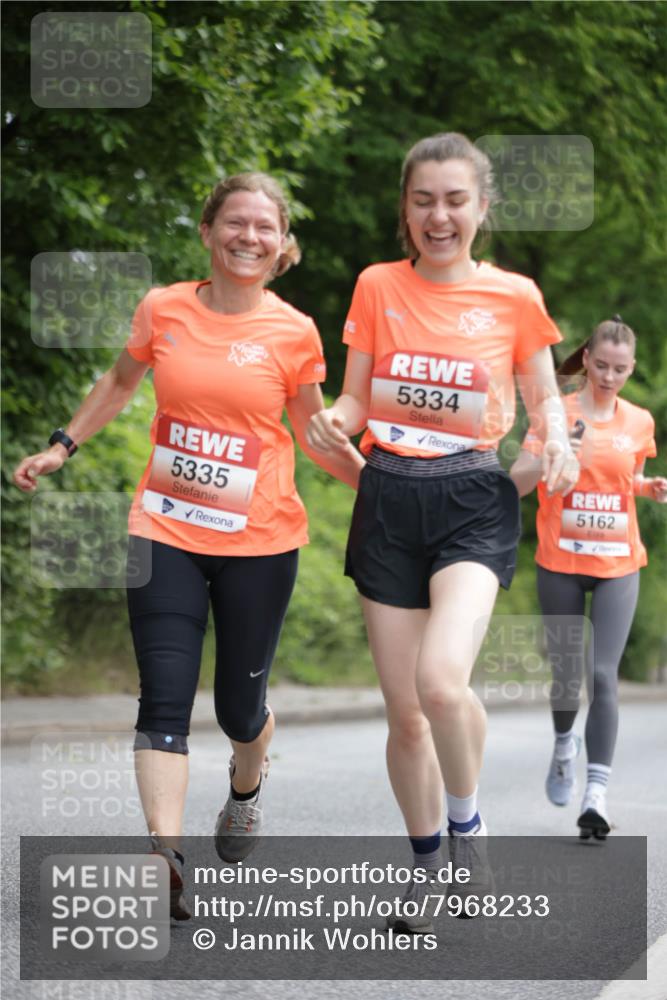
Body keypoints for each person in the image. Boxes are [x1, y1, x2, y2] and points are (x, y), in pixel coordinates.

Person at [13, 172, 363, 918]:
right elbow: (119, 381)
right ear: (207, 231)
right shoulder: (163, 307)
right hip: (164, 527)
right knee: (163, 697)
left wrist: (382, 488)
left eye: (264, 227)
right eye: (235, 222)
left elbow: (312, 434)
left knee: (240, 710)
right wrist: (61, 446)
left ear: (282, 244)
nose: (248, 237)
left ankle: (246, 784)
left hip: (260, 540)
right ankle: (165, 856)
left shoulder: (293, 331)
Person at [306, 132, 580, 930]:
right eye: (422, 200)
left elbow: (543, 397)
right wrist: (335, 421)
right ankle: (427, 869)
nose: (438, 216)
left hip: (470, 496)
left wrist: (559, 443)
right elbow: (356, 398)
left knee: (439, 682)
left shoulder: (514, 296)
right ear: (405, 208)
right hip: (388, 496)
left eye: (454, 200)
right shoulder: (376, 285)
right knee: (406, 714)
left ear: (481, 207)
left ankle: (468, 831)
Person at [511, 315, 666, 840]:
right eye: (600, 365)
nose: (609, 376)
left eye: (620, 369)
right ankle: (563, 748)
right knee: (567, 676)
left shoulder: (639, 422)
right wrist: (555, 455)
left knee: (603, 675)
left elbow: (625, 478)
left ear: (632, 368)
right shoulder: (556, 415)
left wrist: (647, 488)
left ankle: (595, 794)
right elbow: (516, 483)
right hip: (560, 562)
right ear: (587, 360)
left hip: (619, 563)